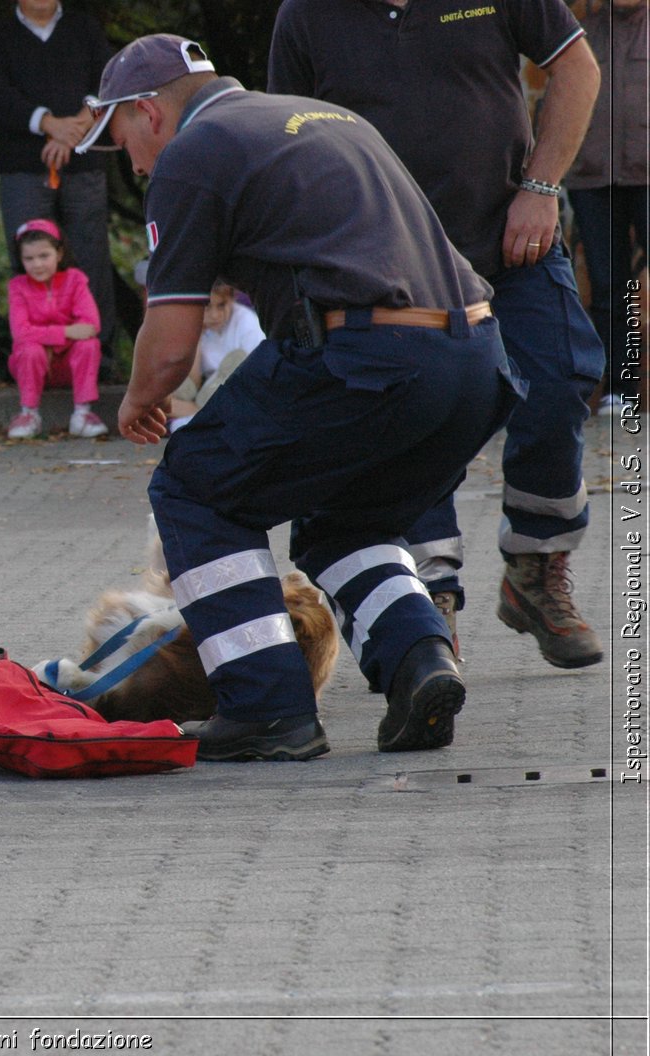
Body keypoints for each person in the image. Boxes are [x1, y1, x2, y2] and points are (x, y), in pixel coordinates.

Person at [81, 35, 519, 760]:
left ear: (147, 112)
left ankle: (267, 708)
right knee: (346, 520)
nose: (130, 161)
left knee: (196, 485)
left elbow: (167, 348)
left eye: (121, 137)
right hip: (475, 360)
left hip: (369, 355)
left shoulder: (195, 154)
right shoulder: (321, 115)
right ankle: (420, 660)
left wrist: (136, 400)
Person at [269, 0, 606, 669]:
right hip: (387, 266)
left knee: (561, 378)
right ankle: (427, 603)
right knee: (416, 416)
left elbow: (577, 66)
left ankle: (537, 567)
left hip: (510, 237)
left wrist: (541, 187)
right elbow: (288, 138)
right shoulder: (305, 14)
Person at [0, 0, 116, 355]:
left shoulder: (85, 27)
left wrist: (77, 127)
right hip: (22, 163)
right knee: (28, 255)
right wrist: (50, 124)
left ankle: (99, 353)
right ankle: (34, 355)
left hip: (85, 160)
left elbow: (109, 83)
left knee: (91, 252)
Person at [566, 0, 648, 414]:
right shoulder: (581, 32)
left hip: (647, 174)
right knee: (606, 287)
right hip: (592, 178)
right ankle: (619, 389)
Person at [5, 218, 107, 440]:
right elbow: (20, 333)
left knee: (89, 344)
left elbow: (91, 326)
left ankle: (82, 414)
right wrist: (66, 332)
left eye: (44, 256)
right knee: (30, 348)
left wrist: (45, 335)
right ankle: (29, 414)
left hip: (68, 367)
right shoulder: (18, 287)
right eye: (29, 258)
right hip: (31, 365)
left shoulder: (75, 280)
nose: (37, 265)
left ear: (59, 254)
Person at [167, 281, 264, 432]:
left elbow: (258, 373)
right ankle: (203, 417)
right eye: (207, 307)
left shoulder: (246, 322)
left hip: (237, 391)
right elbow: (193, 383)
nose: (214, 315)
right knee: (172, 388)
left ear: (231, 301)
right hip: (205, 394)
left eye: (221, 306)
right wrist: (196, 337)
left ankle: (201, 418)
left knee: (237, 360)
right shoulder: (194, 324)